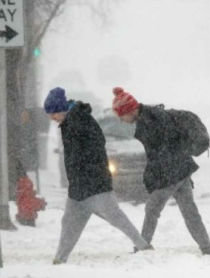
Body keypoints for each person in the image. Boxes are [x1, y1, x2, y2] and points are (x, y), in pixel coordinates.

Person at [44, 87, 152, 264]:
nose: (51, 118)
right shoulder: (70, 122)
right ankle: (59, 259)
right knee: (69, 223)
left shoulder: (81, 121)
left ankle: (143, 246)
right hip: (79, 187)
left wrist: (88, 169)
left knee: (116, 218)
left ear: (60, 109)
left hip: (94, 184)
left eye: (52, 113)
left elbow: (96, 146)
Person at [111, 87, 210, 254]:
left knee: (152, 209)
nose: (122, 120)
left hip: (172, 171)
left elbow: (162, 150)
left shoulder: (151, 120)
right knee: (189, 210)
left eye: (121, 115)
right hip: (180, 168)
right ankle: (207, 247)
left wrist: (158, 174)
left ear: (129, 110)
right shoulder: (151, 116)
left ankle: (142, 247)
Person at [15, 161, 46, 227]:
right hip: (31, 216)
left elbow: (19, 197)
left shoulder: (21, 184)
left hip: (24, 216)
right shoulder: (28, 183)